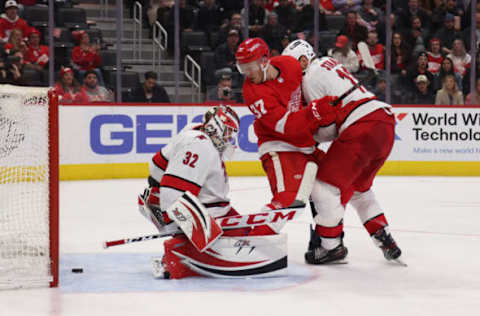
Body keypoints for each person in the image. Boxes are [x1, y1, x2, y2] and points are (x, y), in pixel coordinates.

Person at [282, 39, 402, 264]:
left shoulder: (309, 78)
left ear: (304, 60)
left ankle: (331, 246)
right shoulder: (328, 63)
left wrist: (311, 135)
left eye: (291, 65)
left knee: (322, 187)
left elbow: (328, 125)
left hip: (361, 126)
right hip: (384, 121)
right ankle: (382, 235)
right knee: (359, 190)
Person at [138, 105, 289, 279]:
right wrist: (190, 229)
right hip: (196, 210)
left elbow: (161, 172)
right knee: (253, 246)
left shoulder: (200, 136)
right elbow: (174, 191)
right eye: (227, 132)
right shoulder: (198, 144)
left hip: (210, 208)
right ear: (215, 126)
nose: (229, 138)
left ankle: (186, 247)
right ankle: (178, 253)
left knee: (254, 240)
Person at [235, 37, 323, 215]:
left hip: (303, 141)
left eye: (250, 67)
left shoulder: (290, 65)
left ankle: (325, 241)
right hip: (278, 146)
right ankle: (257, 232)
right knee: (287, 203)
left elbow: (309, 89)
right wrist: (319, 115)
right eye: (243, 69)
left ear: (265, 61)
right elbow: (287, 126)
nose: (248, 74)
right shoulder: (252, 92)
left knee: (329, 190)